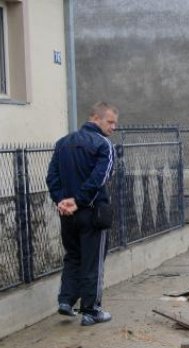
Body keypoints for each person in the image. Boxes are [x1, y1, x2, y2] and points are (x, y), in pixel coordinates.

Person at [47, 102, 118, 326]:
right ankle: (91, 310)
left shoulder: (62, 143)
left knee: (73, 257)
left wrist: (61, 201)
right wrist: (77, 201)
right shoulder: (103, 145)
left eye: (115, 123)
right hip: (92, 212)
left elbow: (52, 177)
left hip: (67, 214)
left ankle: (66, 301)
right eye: (110, 121)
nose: (113, 127)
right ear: (95, 118)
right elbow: (100, 178)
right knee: (93, 261)